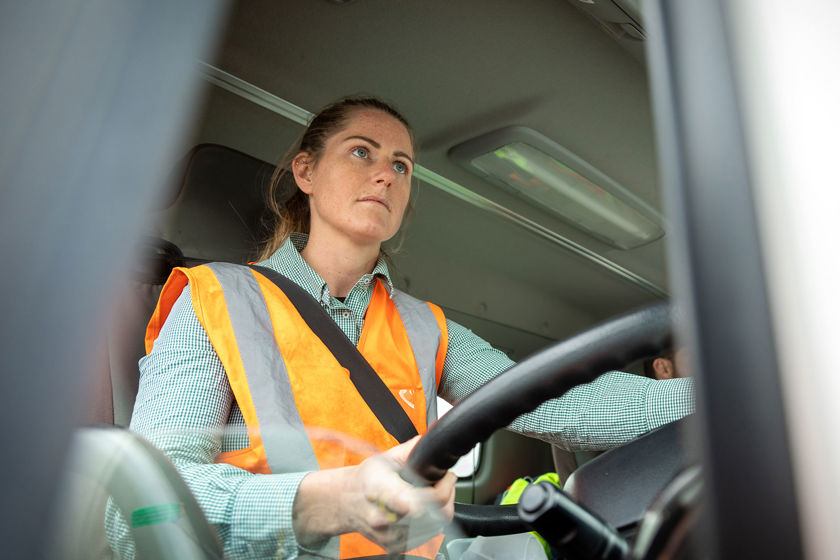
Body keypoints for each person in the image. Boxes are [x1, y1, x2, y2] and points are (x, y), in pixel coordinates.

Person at [105, 96, 694, 559]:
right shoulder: (217, 298)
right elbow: (140, 511)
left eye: (402, 165)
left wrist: (740, 393)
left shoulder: (425, 327)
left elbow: (572, 406)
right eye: (361, 151)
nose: (385, 174)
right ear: (306, 171)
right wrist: (330, 501)